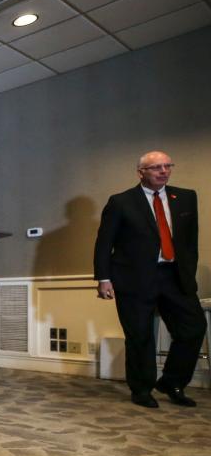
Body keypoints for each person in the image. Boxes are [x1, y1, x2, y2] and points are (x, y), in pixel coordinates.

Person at [94, 151, 204, 408]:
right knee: (140, 335)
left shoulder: (186, 197)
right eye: (156, 167)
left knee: (194, 328)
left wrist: (189, 270)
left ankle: (172, 382)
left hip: (174, 275)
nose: (163, 171)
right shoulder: (121, 202)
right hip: (134, 278)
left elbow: (190, 241)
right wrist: (103, 278)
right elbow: (104, 243)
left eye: (167, 166)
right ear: (141, 172)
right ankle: (142, 388)